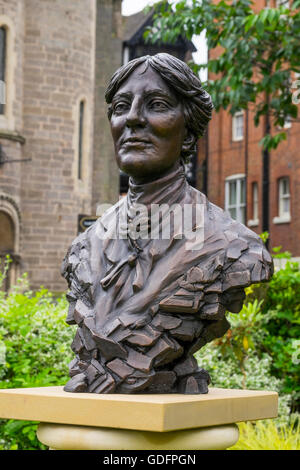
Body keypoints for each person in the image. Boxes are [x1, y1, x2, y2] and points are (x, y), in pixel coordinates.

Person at [62, 53, 273, 394]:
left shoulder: (235, 249)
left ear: (188, 134)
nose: (132, 119)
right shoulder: (84, 247)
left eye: (156, 105)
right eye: (120, 107)